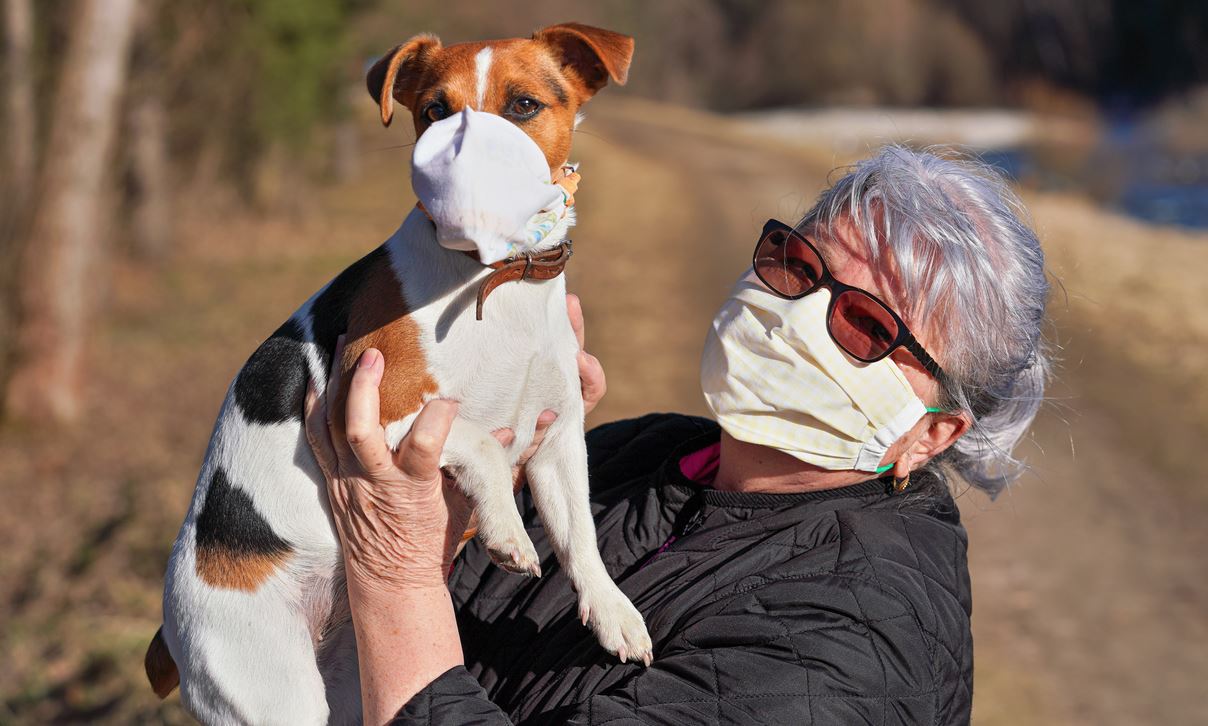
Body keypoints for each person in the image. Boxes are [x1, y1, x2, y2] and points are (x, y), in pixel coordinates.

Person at [303, 146, 1050, 724]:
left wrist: (396, 573)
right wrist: (467, 489)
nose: (796, 315)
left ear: (933, 434)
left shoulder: (856, 640)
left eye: (866, 325)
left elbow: (404, 598)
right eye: (797, 265)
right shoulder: (650, 454)